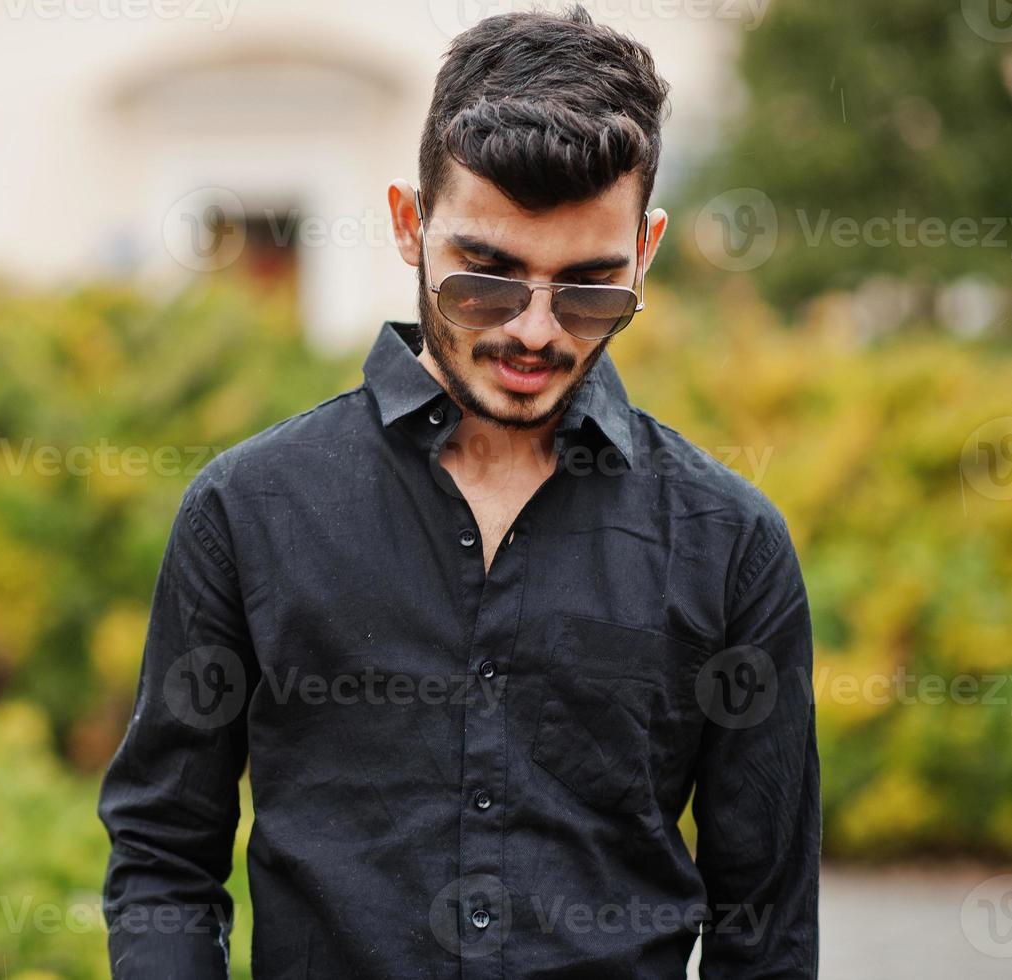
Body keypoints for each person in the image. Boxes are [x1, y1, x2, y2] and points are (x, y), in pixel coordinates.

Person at [98, 6, 820, 977]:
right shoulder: (246, 512)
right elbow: (164, 859)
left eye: (590, 287)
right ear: (410, 224)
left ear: (645, 250)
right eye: (487, 275)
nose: (534, 330)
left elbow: (765, 930)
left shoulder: (731, 544)